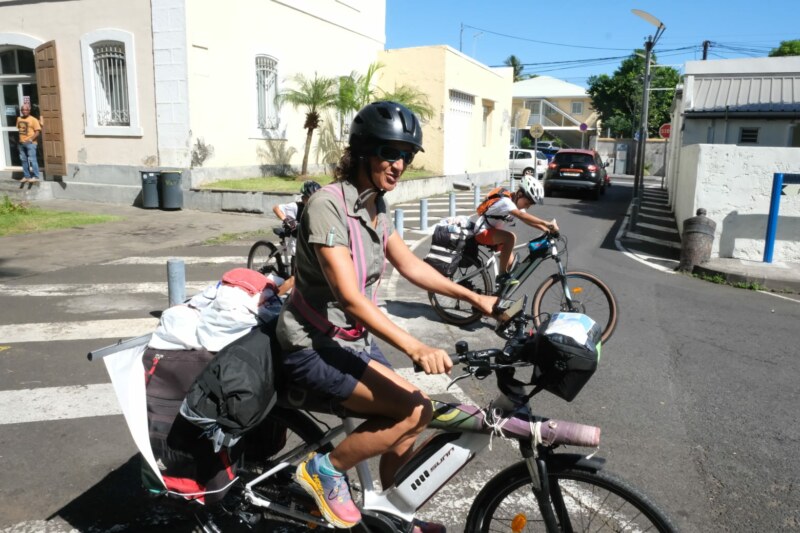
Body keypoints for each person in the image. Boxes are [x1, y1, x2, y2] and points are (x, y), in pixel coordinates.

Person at [276, 101, 496, 531]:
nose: (399, 165)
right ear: (363, 151)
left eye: (407, 157)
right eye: (390, 153)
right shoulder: (328, 205)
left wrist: (475, 298)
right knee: (413, 410)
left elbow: (412, 266)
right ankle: (324, 470)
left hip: (350, 338)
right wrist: (415, 346)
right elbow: (350, 296)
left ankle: (398, 513)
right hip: (311, 343)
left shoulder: (376, 205)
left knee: (418, 415)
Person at [473, 174, 559, 277]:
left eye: (530, 205)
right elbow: (522, 215)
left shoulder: (515, 205)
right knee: (510, 238)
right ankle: (501, 275)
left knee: (513, 268)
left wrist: (547, 230)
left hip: (494, 235)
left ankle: (502, 290)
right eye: (527, 203)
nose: (528, 207)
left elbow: (528, 220)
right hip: (482, 232)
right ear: (520, 194)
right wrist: (547, 223)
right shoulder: (506, 202)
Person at [270, 180, 321, 293]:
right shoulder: (295, 206)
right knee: (295, 279)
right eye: (311, 198)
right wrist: (286, 219)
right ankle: (271, 300)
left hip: (308, 246)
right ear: (305, 197)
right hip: (296, 246)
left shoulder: (318, 207)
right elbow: (276, 208)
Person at [16, 104, 42, 183]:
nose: (24, 111)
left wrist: (30, 140)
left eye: (26, 110)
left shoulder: (33, 120)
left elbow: (37, 132)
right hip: (21, 143)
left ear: (29, 111)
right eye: (23, 110)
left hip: (31, 143)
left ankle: (36, 176)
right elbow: (19, 130)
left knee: (32, 160)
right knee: (23, 160)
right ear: (21, 111)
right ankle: (26, 176)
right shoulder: (19, 119)